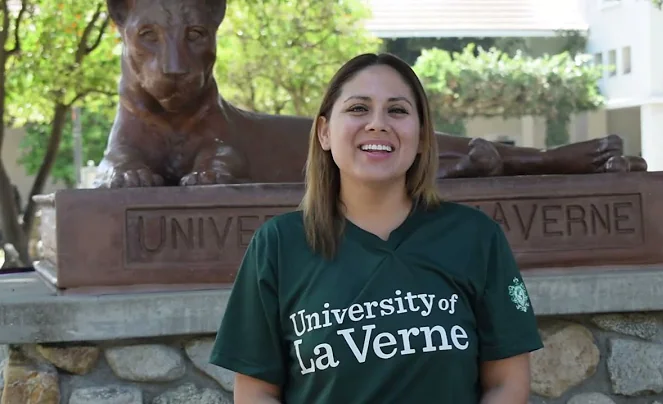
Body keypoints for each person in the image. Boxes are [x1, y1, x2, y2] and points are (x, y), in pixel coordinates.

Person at [209, 53, 544, 404]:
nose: (377, 124)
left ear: (422, 136)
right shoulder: (278, 245)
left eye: (397, 111)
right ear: (324, 132)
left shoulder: (475, 236)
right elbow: (255, 391)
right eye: (358, 109)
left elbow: (506, 383)